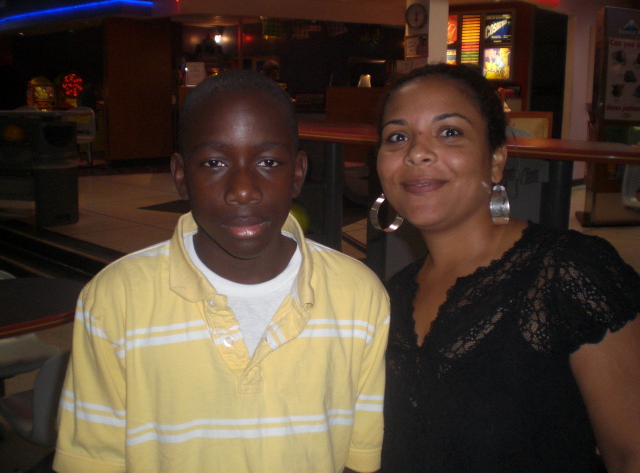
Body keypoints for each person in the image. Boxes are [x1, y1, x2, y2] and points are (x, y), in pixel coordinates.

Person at [53, 69, 389, 473]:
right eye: (214, 162)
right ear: (181, 176)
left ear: (298, 173)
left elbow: (358, 458)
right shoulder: (114, 299)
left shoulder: (359, 296)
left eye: (268, 162)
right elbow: (93, 460)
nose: (243, 190)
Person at [374, 63, 640, 472]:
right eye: (397, 137)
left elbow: (629, 453)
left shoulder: (568, 270)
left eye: (450, 132)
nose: (416, 152)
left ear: (496, 159)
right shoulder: (387, 297)